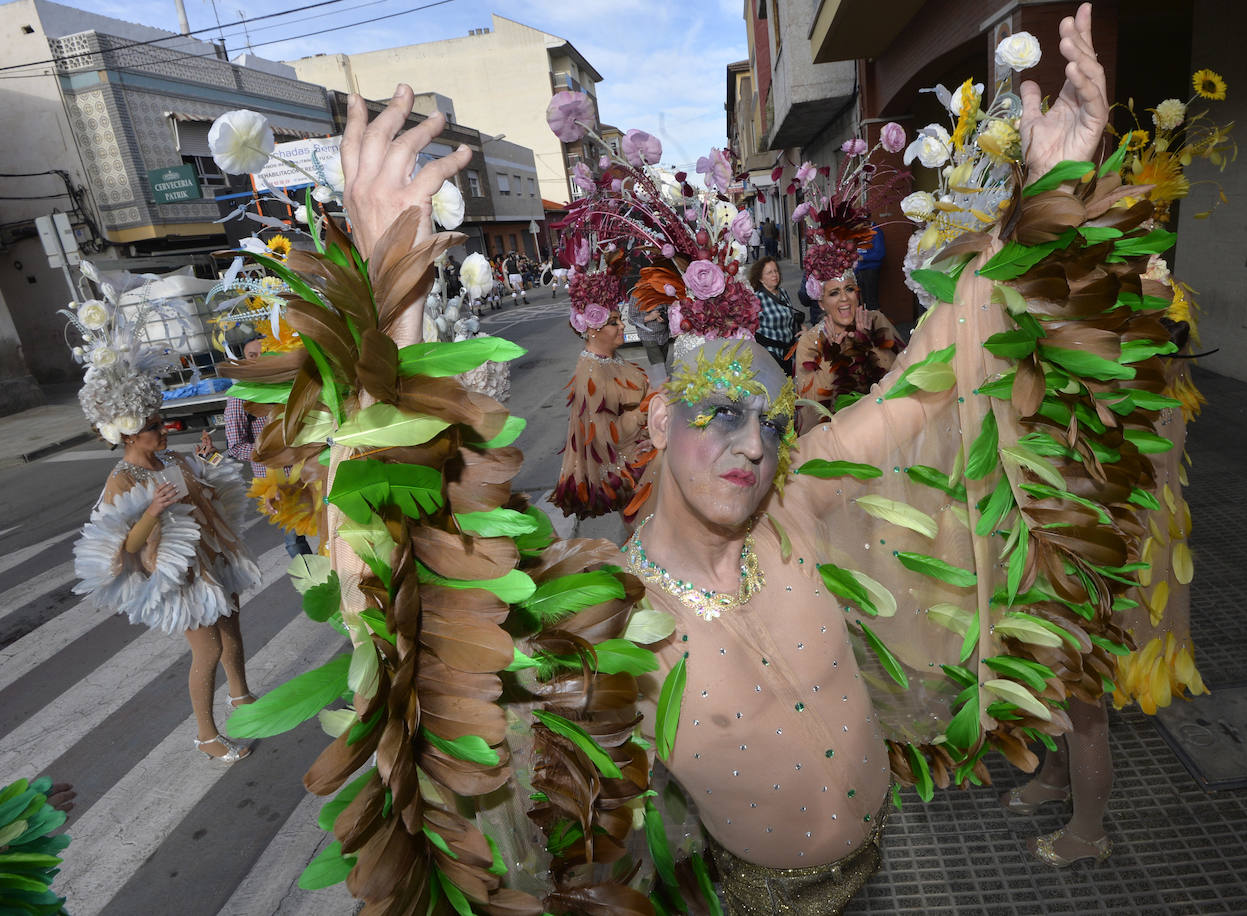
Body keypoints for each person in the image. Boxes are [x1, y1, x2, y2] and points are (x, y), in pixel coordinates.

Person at [251, 6, 1153, 908]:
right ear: (657, 421)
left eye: (767, 417)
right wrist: (392, 299)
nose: (751, 441)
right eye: (718, 412)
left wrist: (1056, 186)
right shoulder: (614, 617)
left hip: (879, 881)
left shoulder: (798, 504)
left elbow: (933, 368)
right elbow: (408, 609)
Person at [69, 273, 261, 763]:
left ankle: (243, 700)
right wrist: (152, 512)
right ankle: (206, 735)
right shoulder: (123, 480)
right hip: (179, 577)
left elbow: (203, 496)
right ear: (129, 432)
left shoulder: (170, 459)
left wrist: (207, 461)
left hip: (211, 560)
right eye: (154, 426)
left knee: (233, 633)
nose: (163, 429)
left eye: (161, 422)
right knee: (208, 651)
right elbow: (126, 548)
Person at [550, 264, 652, 521]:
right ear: (593, 328)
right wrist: (648, 409)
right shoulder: (592, 372)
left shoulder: (611, 359)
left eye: (620, 319)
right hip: (633, 475)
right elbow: (606, 438)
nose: (621, 326)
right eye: (613, 322)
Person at [223, 336, 313, 557]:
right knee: (293, 538)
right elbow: (235, 445)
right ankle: (316, 584)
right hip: (277, 479)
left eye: (265, 352)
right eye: (253, 355)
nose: (260, 359)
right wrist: (272, 453)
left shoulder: (294, 385)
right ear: (246, 361)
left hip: (311, 467)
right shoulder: (240, 396)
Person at [793, 272, 902, 433]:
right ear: (822, 303)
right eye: (834, 293)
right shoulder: (809, 342)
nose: (844, 298)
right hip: (840, 437)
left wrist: (868, 343)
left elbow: (899, 376)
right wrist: (832, 356)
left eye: (849, 289)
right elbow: (813, 410)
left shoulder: (876, 320)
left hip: (886, 425)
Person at [749, 255, 800, 371]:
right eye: (769, 272)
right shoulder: (756, 299)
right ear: (761, 279)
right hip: (771, 355)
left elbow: (789, 316)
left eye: (776, 271)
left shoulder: (783, 293)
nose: (774, 275)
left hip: (789, 353)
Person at [853, 222, 885, 311]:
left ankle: (876, 323)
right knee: (860, 301)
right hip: (859, 269)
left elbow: (880, 254)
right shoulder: (858, 230)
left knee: (871, 301)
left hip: (870, 269)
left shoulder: (876, 230)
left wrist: (863, 257)